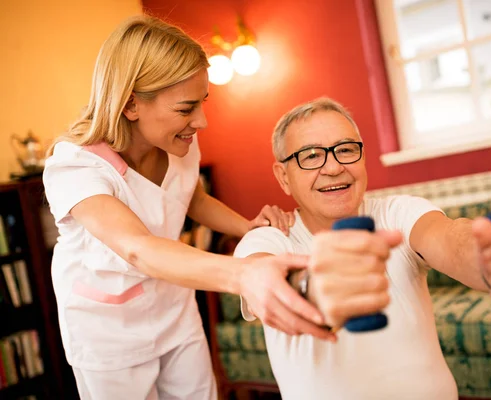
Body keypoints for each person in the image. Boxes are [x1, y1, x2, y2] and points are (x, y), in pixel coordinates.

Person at [42, 16, 333, 400]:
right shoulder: (75, 167)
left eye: (202, 103)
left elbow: (190, 198)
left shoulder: (178, 144)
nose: (201, 121)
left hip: (174, 307)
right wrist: (244, 274)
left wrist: (246, 227)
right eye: (186, 108)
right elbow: (137, 247)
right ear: (131, 104)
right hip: (108, 327)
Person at [233, 97, 491, 400]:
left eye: (346, 149)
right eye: (311, 156)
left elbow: (448, 238)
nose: (333, 167)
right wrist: (315, 288)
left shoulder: (398, 212)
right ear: (284, 177)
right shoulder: (268, 239)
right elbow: (268, 285)